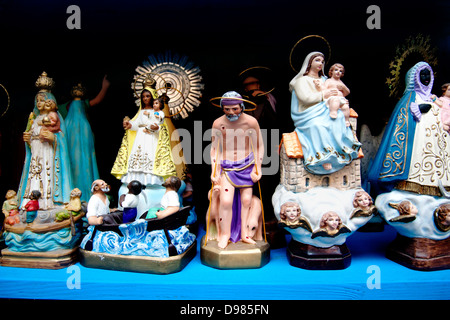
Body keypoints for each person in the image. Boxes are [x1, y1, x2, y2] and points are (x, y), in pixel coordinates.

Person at [367, 62, 445, 197]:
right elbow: (404, 115)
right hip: (416, 139)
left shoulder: (432, 97)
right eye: (423, 74)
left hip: (434, 142)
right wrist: (418, 109)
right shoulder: (410, 97)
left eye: (428, 74)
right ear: (415, 77)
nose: (426, 77)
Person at [289, 52, 361, 175]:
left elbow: (339, 91)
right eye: (317, 60)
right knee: (317, 126)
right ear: (309, 62)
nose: (321, 64)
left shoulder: (325, 80)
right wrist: (324, 95)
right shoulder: (301, 80)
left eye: (322, 61)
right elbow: (305, 99)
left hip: (326, 108)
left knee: (338, 118)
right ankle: (324, 157)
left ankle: (340, 153)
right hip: (308, 114)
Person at [210, 91, 264, 248]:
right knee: (225, 201)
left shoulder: (251, 122)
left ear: (242, 106)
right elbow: (214, 149)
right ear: (222, 108)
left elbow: (259, 146)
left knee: (246, 201)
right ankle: (225, 234)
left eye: (234, 109)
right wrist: (214, 170)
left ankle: (245, 234)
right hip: (227, 167)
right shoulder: (217, 123)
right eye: (227, 109)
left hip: (247, 166)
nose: (231, 112)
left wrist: (258, 168)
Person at [18, 72, 73, 210]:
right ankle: (30, 203)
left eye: (42, 100)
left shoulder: (53, 117)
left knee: (46, 176)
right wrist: (28, 141)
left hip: (48, 153)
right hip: (36, 154)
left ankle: (48, 203)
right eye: (37, 100)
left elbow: (62, 138)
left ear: (50, 102)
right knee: (34, 176)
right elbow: (31, 137)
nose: (39, 103)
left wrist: (53, 138)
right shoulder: (34, 119)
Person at [111, 84, 176, 186]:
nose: (145, 98)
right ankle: (136, 182)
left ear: (153, 98)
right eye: (143, 96)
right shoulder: (141, 111)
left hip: (151, 137)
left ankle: (152, 182)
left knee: (150, 156)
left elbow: (162, 126)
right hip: (140, 137)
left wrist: (157, 128)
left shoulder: (157, 112)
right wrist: (130, 125)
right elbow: (137, 124)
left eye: (147, 96)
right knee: (138, 158)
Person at [61, 78, 109, 202]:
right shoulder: (68, 119)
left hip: (83, 138)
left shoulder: (77, 124)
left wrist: (105, 87)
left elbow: (97, 100)